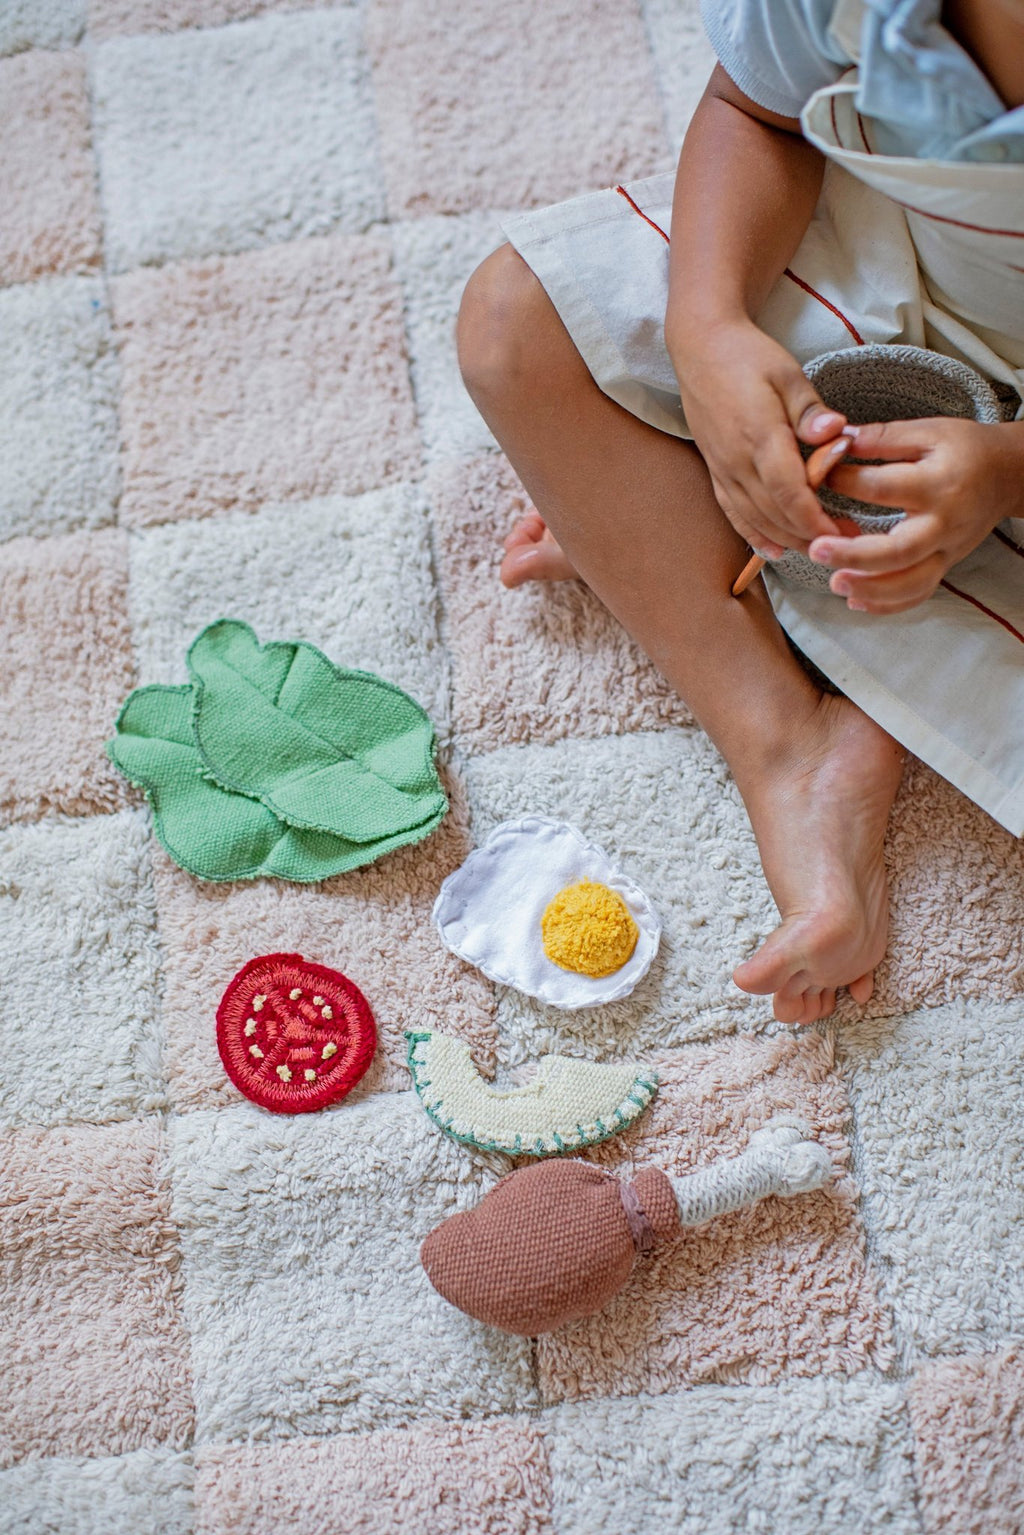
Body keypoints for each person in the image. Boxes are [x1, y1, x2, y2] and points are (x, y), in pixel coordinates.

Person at [455, 0, 1024, 1026]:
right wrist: (706, 329)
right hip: (905, 274)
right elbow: (755, 109)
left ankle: (656, 525)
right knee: (516, 326)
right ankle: (789, 743)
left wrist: (1007, 470)